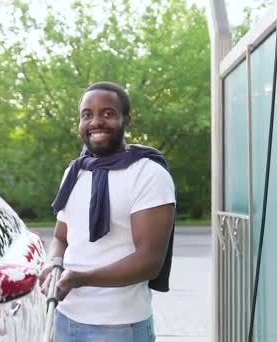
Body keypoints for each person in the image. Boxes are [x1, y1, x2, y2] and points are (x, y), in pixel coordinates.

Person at [40, 81, 176, 342]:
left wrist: (79, 279)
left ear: (127, 120)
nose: (96, 122)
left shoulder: (147, 174)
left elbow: (149, 262)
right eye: (87, 114)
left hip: (119, 327)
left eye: (108, 113)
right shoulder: (75, 172)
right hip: (65, 317)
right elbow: (61, 237)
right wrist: (53, 264)